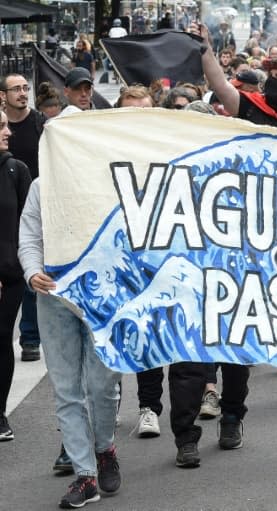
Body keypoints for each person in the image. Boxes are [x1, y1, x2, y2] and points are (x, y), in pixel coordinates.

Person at [18, 67, 122, 508]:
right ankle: (84, 475)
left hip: (99, 301)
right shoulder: (41, 188)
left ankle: (105, 448)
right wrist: (31, 272)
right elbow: (29, 236)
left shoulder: (108, 186)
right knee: (66, 389)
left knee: (101, 386)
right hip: (54, 300)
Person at [0, 74, 47, 363]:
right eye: (16, 89)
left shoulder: (40, 124)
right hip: (9, 197)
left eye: (25, 88)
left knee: (28, 268)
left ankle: (30, 337)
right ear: (3, 95)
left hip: (30, 201)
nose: (22, 93)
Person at [0, 110, 32, 442]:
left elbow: (27, 226)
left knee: (1, 341)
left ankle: (0, 412)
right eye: (1, 126)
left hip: (9, 276)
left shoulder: (16, 170)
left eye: (7, 125)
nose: (7, 132)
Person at [191, 22, 277, 128]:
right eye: (271, 75)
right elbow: (220, 85)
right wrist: (205, 44)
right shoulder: (251, 105)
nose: (274, 80)